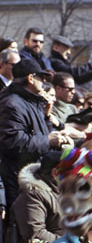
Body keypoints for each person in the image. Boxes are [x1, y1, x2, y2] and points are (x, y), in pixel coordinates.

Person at [0, 59, 70, 209]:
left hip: (34, 178)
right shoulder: (12, 104)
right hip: (19, 181)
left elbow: (39, 132)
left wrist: (50, 123)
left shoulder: (33, 102)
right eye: (41, 78)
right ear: (31, 78)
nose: (44, 82)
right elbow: (13, 142)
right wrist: (47, 141)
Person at [9, 151, 64, 243]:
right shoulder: (32, 195)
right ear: (55, 173)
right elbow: (36, 235)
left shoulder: (64, 190)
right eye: (72, 171)